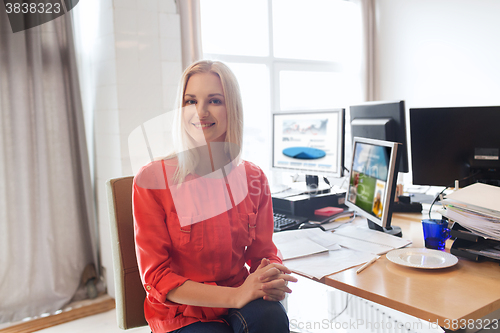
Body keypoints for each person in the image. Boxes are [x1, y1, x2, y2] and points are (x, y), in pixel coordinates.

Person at [132, 60, 297, 333]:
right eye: (190, 101)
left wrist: (271, 274)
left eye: (215, 100)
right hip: (182, 311)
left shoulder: (253, 178)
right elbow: (158, 278)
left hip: (238, 295)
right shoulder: (151, 181)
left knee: (272, 318)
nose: (200, 111)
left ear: (231, 107)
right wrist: (236, 296)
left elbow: (263, 253)